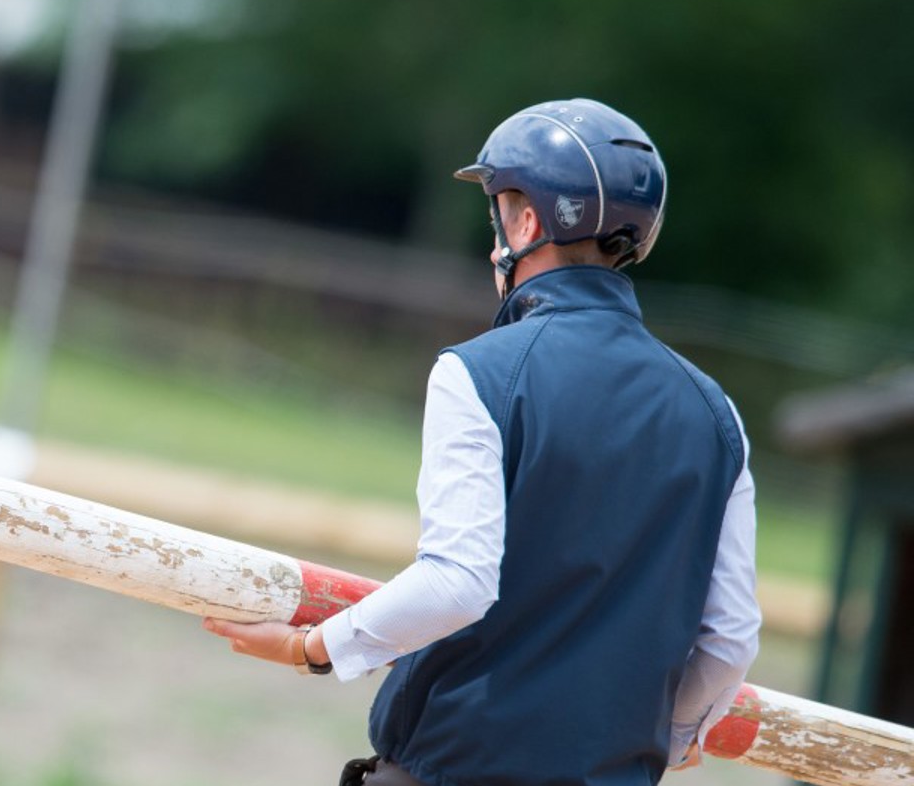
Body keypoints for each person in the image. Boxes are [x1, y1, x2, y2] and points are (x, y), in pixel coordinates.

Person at [204, 98, 760, 786]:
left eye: (498, 213)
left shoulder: (479, 371)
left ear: (528, 220)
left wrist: (312, 648)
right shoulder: (717, 413)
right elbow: (730, 636)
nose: (495, 239)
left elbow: (457, 583)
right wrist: (670, 739)